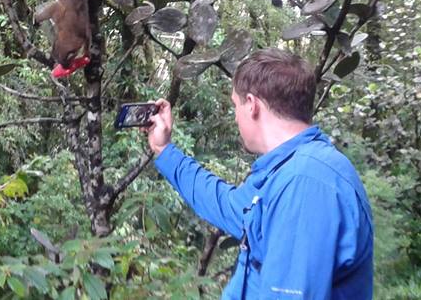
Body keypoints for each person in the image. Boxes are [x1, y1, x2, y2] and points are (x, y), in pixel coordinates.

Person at [145, 49, 373, 299]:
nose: (235, 117)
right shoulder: (287, 170)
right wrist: (163, 149)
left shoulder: (306, 183)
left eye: (235, 105)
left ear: (252, 105)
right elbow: (229, 206)